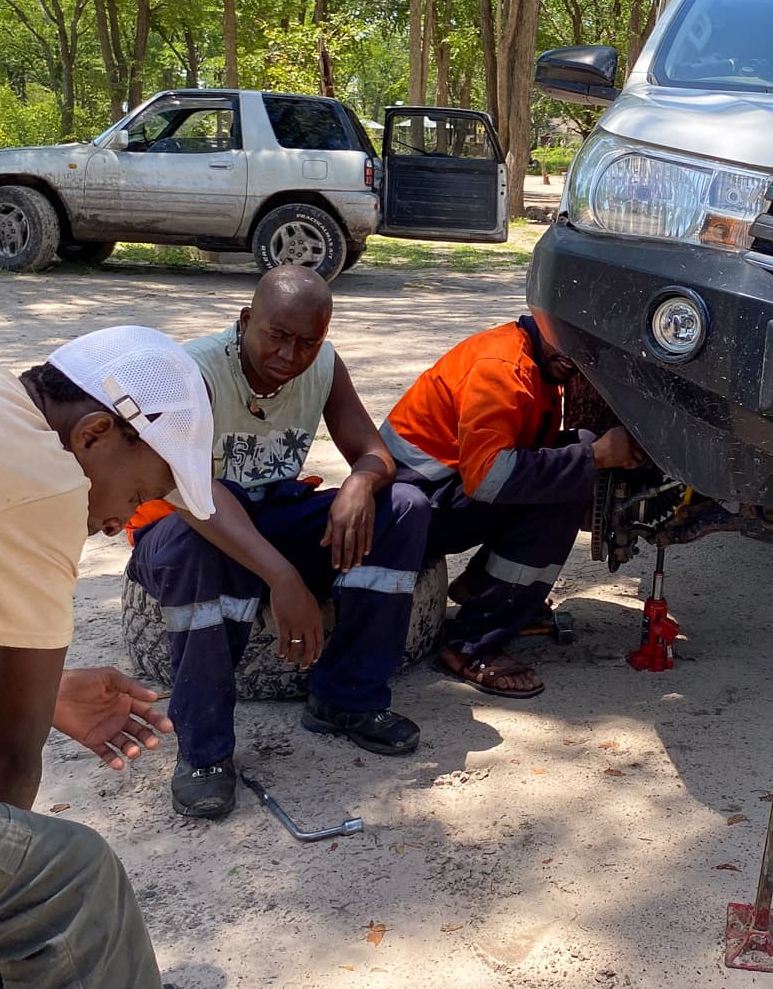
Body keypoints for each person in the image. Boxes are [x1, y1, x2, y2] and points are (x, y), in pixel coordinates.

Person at [0, 324, 218, 989]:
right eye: (137, 493)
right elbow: (6, 757)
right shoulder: (45, 479)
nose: (122, 523)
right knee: (76, 885)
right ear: (93, 434)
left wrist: (43, 682)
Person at [126, 266, 430, 820]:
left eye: (307, 341)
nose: (291, 355)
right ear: (245, 322)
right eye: (278, 336)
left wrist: (361, 482)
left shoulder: (325, 366)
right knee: (203, 551)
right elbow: (198, 498)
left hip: (270, 511)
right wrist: (284, 579)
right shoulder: (191, 373)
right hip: (183, 525)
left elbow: (373, 449)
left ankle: (346, 698)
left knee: (405, 507)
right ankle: (204, 753)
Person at [382, 314, 642, 698]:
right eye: (568, 338)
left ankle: (479, 586)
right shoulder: (502, 367)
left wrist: (589, 452)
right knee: (566, 485)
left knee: (576, 451)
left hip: (437, 492)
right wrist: (593, 460)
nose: (574, 355)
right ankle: (471, 643)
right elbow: (489, 478)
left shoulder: (539, 359)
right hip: (410, 511)